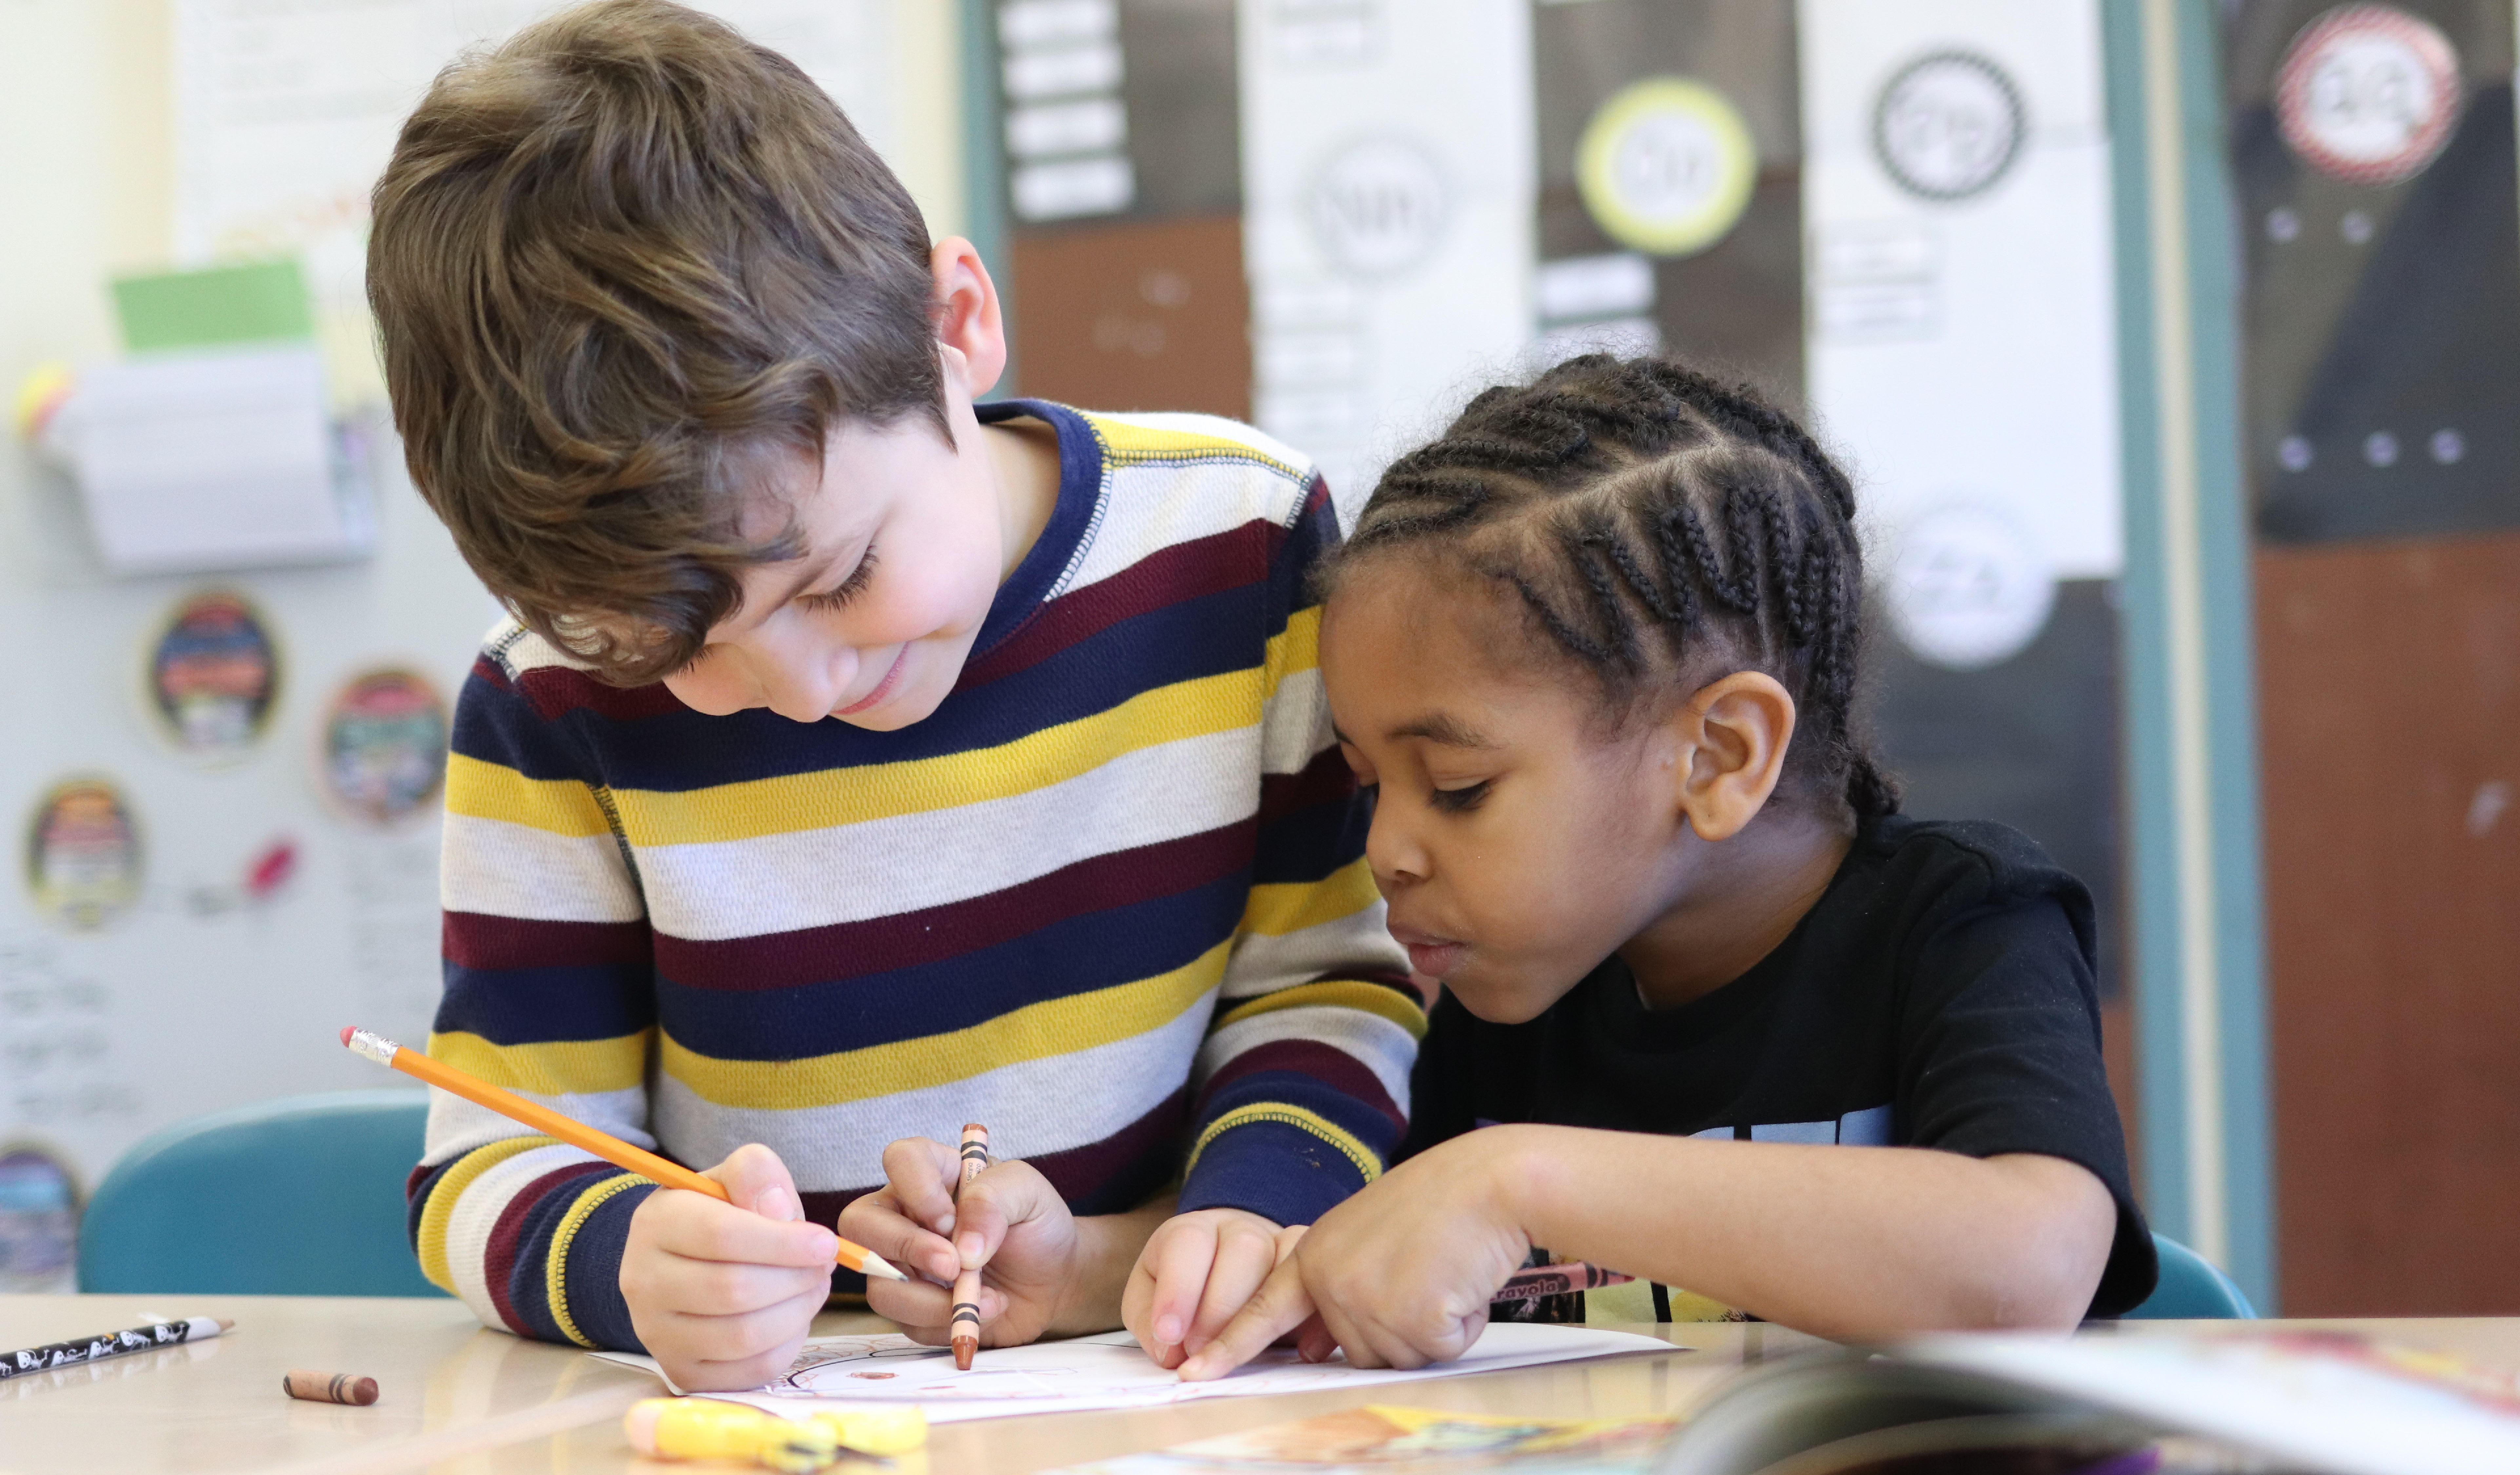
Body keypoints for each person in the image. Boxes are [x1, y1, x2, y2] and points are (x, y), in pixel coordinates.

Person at [369, 0, 1416, 1391]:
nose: (801, 690)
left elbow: (1334, 975)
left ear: (957, 327)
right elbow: (490, 1152)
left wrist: (1253, 1205)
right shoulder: (552, 696)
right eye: (686, 652)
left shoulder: (1238, 544)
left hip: (1180, 1378)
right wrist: (633, 1262)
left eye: (841, 577)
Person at [1166, 354, 2158, 1379]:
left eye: (1458, 787)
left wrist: (1522, 1182)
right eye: (1372, 785)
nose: (1386, 852)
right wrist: (1080, 1267)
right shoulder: (1507, 1007)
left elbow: (2029, 1267)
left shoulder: (1965, 924)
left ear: (1720, 754)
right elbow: (1323, 1262)